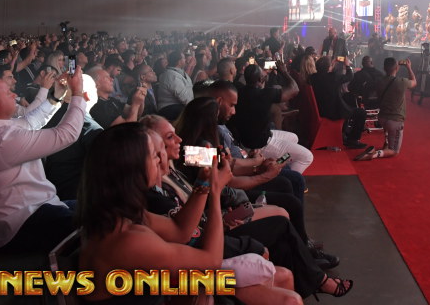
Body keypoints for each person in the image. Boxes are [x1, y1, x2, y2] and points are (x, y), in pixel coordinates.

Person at [77, 123, 303, 305]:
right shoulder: (126, 238)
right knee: (288, 296)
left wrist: (204, 182)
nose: (163, 158)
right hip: (182, 284)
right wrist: (215, 191)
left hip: (176, 285)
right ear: (131, 169)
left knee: (283, 275)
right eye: (156, 154)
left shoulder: (121, 214)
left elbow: (180, 231)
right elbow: (210, 262)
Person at [0, 68, 86, 252]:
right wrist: (78, 93)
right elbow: (66, 135)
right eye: (8, 93)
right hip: (21, 225)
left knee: (100, 206)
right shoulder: (0, 140)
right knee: (102, 224)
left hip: (33, 210)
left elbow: (29, 122)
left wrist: (56, 96)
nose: (14, 94)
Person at [354, 57, 416, 161]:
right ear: (397, 68)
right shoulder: (401, 82)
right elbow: (414, 82)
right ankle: (373, 154)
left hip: (382, 117)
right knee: (394, 151)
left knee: (388, 127)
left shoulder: (379, 81)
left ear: (384, 68)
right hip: (395, 120)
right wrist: (409, 67)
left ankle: (387, 142)